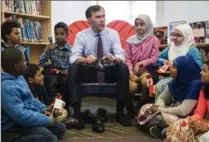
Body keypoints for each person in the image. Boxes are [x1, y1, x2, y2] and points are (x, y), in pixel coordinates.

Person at [68, 5, 132, 128]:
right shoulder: (82, 35)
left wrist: (114, 58)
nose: (102, 20)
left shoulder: (113, 33)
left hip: (108, 70)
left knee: (122, 67)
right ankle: (77, 114)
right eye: (98, 17)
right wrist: (84, 59)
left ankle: (120, 112)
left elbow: (121, 55)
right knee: (74, 68)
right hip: (90, 70)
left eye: (103, 16)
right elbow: (73, 58)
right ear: (89, 20)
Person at [1, 48, 66, 142]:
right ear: (17, 66)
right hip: (12, 125)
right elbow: (21, 116)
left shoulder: (19, 77)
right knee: (50, 138)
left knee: (60, 128)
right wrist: (47, 120)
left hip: (25, 118)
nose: (26, 63)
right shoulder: (6, 87)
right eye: (23, 61)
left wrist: (45, 109)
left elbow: (31, 100)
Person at [137, 55, 203, 139]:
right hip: (171, 111)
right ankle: (163, 130)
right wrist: (158, 107)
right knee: (145, 108)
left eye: (174, 67)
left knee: (157, 118)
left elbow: (183, 111)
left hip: (185, 117)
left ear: (183, 70)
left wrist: (160, 110)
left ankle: (164, 131)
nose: (170, 68)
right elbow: (161, 98)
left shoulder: (195, 85)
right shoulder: (175, 82)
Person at [155, 24, 203, 101]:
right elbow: (157, 59)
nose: (174, 38)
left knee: (163, 86)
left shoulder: (193, 51)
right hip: (173, 77)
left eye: (178, 35)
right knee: (159, 86)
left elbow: (199, 69)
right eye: (173, 35)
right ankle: (159, 109)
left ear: (187, 37)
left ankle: (165, 108)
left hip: (187, 81)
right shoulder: (171, 48)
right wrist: (163, 61)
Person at [165, 60, 209, 142]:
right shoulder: (204, 89)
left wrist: (206, 126)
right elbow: (199, 113)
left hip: (207, 125)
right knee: (178, 126)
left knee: (205, 138)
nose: (200, 73)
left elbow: (183, 110)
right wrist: (192, 122)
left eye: (204, 71)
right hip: (203, 122)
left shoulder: (195, 85)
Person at [125, 14, 159, 109]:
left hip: (145, 72)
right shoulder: (129, 41)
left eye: (142, 24)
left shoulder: (154, 40)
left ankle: (142, 104)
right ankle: (129, 106)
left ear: (147, 25)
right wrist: (130, 72)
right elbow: (127, 58)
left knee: (148, 82)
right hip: (131, 72)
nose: (139, 27)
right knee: (132, 87)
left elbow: (154, 58)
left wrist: (140, 63)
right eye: (136, 25)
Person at [40, 22, 71, 100]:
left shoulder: (70, 49)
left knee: (64, 83)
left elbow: (69, 65)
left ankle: (62, 105)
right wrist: (48, 51)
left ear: (67, 35)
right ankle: (50, 104)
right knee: (51, 81)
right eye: (56, 34)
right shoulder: (50, 46)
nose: (59, 36)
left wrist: (65, 70)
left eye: (62, 34)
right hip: (53, 73)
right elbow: (41, 61)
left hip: (64, 73)